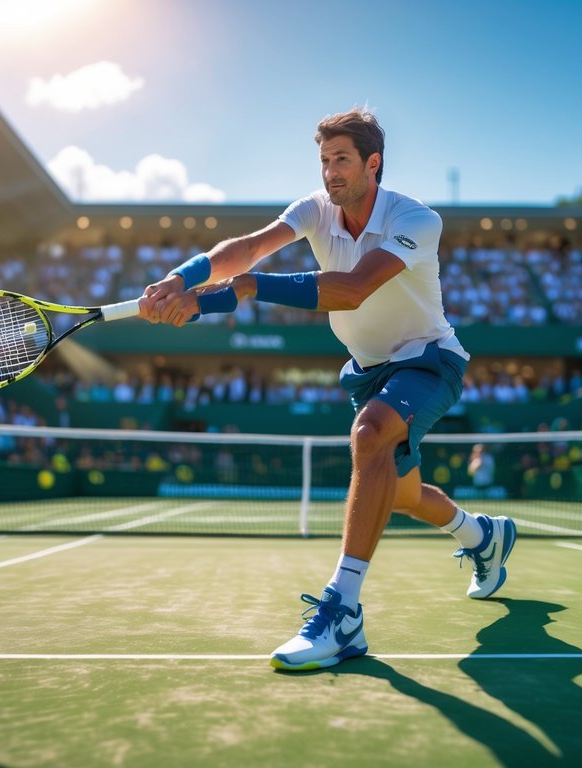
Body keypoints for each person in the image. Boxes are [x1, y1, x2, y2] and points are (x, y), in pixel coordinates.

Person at [140, 109, 515, 671]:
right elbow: (248, 248)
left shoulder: (416, 218)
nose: (330, 171)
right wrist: (182, 279)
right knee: (403, 495)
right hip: (368, 369)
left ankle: (344, 613)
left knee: (369, 435)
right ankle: (482, 535)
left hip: (428, 359)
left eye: (341, 159)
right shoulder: (316, 209)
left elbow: (355, 288)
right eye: (324, 160)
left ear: (373, 163)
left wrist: (235, 293)